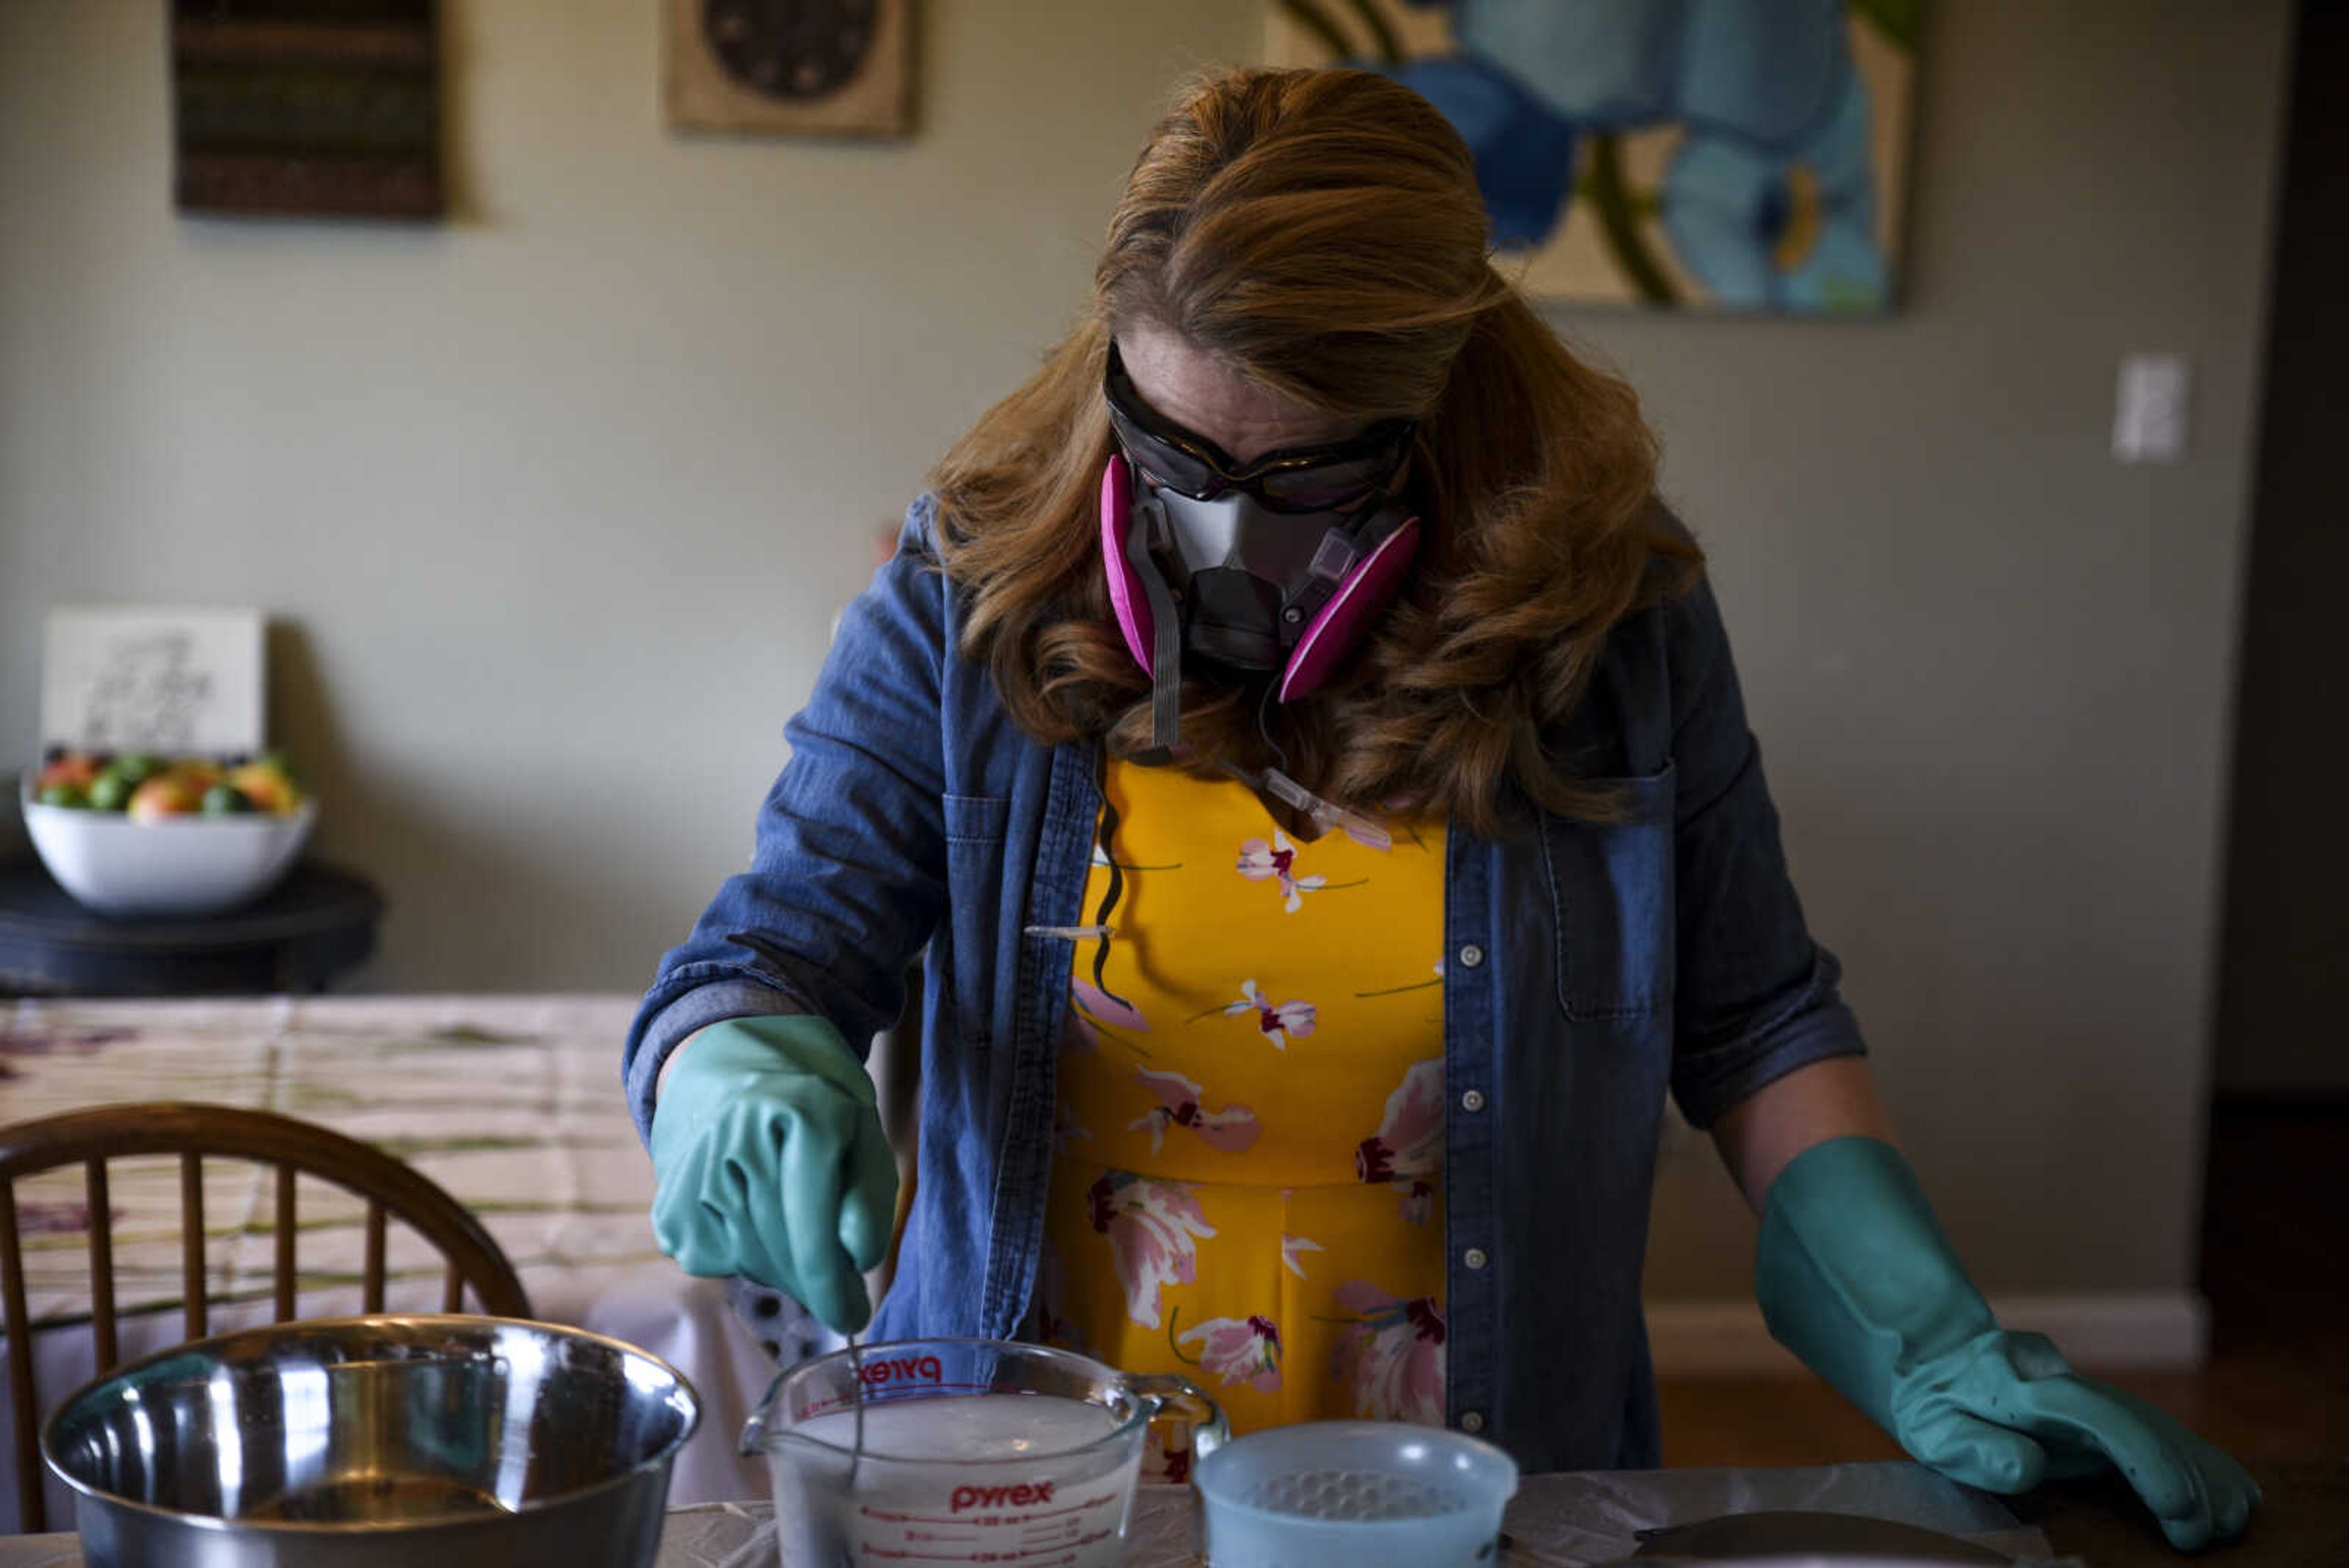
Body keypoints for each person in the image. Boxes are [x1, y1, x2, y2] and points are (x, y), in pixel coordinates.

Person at [625, 67, 2254, 1549]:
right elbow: (778, 945)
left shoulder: (1620, 621)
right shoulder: (969, 587)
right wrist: (738, 1065)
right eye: (1172, 451)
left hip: (1475, 1496)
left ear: (1442, 399)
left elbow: (1755, 1018)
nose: (1215, 543)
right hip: (1034, 1493)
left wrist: (1928, 1328)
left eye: (1304, 479)